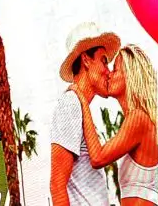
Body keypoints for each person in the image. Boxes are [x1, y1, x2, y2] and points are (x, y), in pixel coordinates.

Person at [78, 44, 158, 205]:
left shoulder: (138, 119)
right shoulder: (144, 123)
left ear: (130, 75)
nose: (109, 74)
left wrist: (82, 101)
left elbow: (98, 158)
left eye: (115, 70)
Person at [50, 23, 116, 205]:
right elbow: (57, 185)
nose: (109, 72)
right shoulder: (71, 103)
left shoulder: (79, 106)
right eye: (104, 61)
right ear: (86, 60)